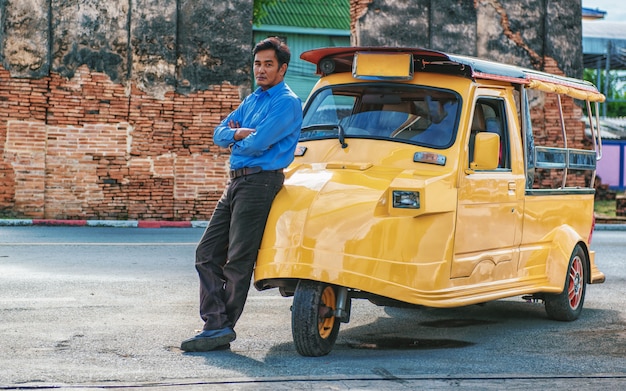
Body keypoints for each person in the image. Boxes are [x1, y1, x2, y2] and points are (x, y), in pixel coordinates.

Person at [181, 37, 302, 352]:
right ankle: (216, 324)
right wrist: (235, 133)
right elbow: (219, 133)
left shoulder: (286, 102)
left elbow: (258, 144)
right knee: (206, 254)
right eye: (258, 63)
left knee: (238, 259)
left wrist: (237, 140)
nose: (260, 70)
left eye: (268, 64)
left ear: (283, 68)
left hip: (260, 183)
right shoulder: (253, 100)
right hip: (235, 182)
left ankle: (220, 328)